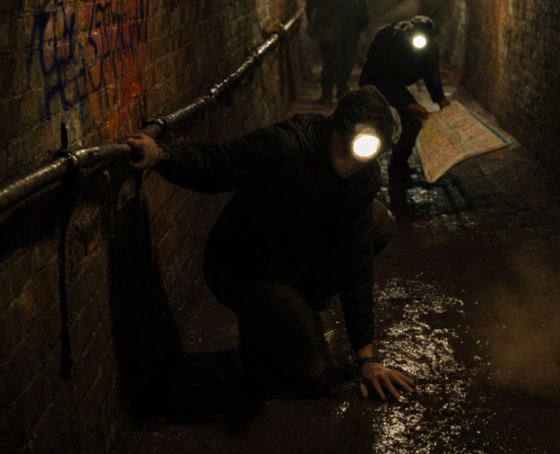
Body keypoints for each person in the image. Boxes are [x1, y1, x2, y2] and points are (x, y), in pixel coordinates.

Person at [124, 87, 417, 402]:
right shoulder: (286, 146)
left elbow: (357, 259)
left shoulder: (362, 176)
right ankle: (260, 332)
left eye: (361, 158)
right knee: (310, 371)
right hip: (246, 267)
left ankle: (297, 307)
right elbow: (219, 162)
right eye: (345, 151)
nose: (350, 165)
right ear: (334, 132)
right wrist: (161, 155)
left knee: (378, 222)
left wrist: (367, 358)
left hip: (295, 257)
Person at [358, 15, 450, 175]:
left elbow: (431, 74)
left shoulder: (430, 49)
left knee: (413, 122)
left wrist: (440, 99)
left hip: (397, 83)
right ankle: (362, 165)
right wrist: (407, 103)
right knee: (372, 124)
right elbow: (380, 75)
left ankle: (398, 164)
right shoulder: (388, 38)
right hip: (374, 81)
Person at [305, 0, 370, 103]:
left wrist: (358, 32)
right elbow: (311, 4)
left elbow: (364, 18)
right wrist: (316, 25)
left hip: (349, 38)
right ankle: (327, 95)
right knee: (329, 65)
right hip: (330, 38)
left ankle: (342, 94)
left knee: (345, 67)